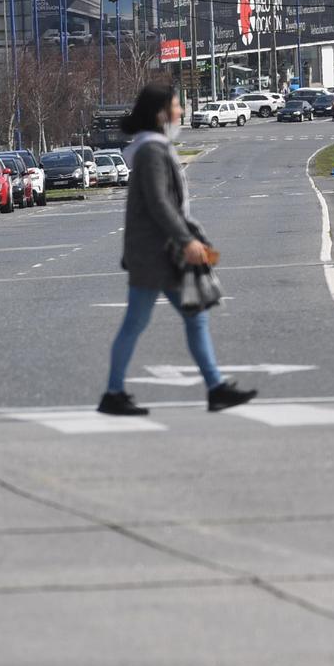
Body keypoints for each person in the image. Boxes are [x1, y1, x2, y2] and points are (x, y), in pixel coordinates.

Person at [100, 79, 256, 416]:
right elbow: (159, 203)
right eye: (175, 106)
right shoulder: (152, 151)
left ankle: (213, 388)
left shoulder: (151, 148)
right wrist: (187, 241)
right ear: (160, 115)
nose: (181, 111)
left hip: (156, 253)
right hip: (159, 255)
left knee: (182, 317)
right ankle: (117, 393)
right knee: (159, 320)